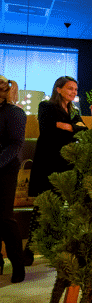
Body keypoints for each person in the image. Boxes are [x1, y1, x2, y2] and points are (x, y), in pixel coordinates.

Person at [28, 76, 87, 198]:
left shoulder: (74, 111)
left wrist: (64, 126)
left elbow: (84, 130)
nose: (74, 92)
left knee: (63, 196)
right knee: (46, 197)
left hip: (67, 157)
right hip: (49, 156)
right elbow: (47, 129)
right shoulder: (46, 106)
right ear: (58, 89)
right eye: (70, 88)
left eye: (75, 89)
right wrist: (73, 127)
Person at [0, 77, 27, 282]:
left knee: (5, 218)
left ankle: (18, 265)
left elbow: (15, 144)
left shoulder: (15, 113)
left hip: (5, 170)